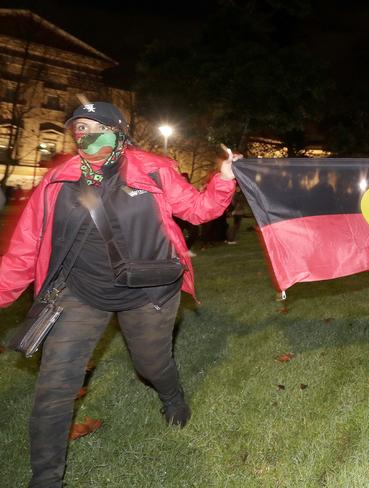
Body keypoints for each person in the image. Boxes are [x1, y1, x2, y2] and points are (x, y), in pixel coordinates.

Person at [0, 101, 239, 488]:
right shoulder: (58, 180)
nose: (86, 137)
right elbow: (26, 247)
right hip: (79, 291)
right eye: (79, 130)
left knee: (150, 365)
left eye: (97, 129)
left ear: (120, 135)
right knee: (54, 387)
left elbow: (199, 210)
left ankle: (171, 394)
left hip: (147, 291)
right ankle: (45, 480)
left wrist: (225, 176)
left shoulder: (154, 169)